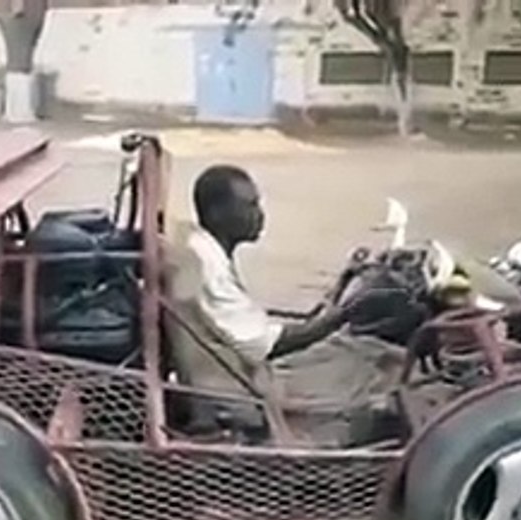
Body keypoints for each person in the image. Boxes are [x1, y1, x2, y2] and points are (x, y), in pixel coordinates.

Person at [163, 164, 408, 447]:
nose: (260, 215)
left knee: (364, 350)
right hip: (244, 394)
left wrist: (342, 285)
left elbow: (253, 328)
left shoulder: (204, 250)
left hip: (247, 374)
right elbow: (267, 345)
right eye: (250, 205)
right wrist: (347, 312)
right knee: (374, 366)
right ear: (217, 213)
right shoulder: (205, 267)